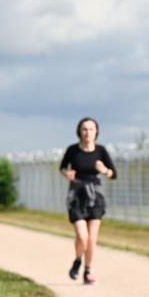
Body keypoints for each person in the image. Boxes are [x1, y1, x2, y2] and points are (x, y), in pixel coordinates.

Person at [59, 117, 117, 285]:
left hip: (95, 196)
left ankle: (88, 271)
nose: (88, 132)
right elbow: (62, 167)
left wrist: (104, 170)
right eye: (84, 129)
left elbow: (113, 174)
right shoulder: (72, 150)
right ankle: (78, 260)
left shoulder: (101, 151)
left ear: (96, 132)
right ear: (79, 131)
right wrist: (66, 174)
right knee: (82, 236)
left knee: (91, 238)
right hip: (77, 195)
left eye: (91, 129)